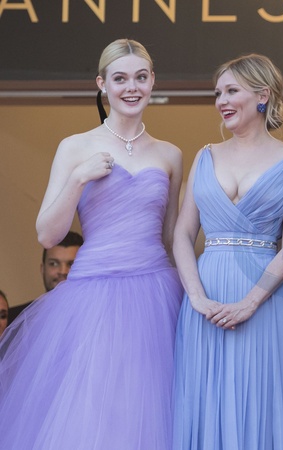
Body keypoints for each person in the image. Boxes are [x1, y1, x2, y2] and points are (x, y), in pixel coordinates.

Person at [0, 38, 183, 449]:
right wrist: (79, 177)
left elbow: (171, 238)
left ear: (153, 81)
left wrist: (196, 294)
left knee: (152, 407)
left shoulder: (170, 154)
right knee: (93, 410)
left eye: (140, 77)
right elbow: (47, 234)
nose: (131, 87)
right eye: (120, 79)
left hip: (156, 293)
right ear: (102, 84)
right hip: (93, 296)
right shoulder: (75, 147)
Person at [172, 54, 283, 450]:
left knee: (262, 404)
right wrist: (197, 298)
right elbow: (182, 234)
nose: (222, 101)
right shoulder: (205, 155)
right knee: (206, 402)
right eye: (218, 93)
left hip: (265, 300)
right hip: (206, 299)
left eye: (232, 91)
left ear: (262, 96)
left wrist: (250, 303)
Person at [7, 230, 83, 323]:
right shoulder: (13, 319)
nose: (63, 271)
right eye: (54, 263)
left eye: (71, 264)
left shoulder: (97, 316)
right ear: (42, 269)